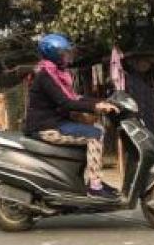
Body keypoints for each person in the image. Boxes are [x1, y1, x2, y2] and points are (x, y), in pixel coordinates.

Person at [25, 34, 119, 199]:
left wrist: (103, 101)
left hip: (55, 122)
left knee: (96, 128)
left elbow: (76, 97)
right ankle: (95, 187)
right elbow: (66, 103)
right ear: (54, 54)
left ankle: (86, 179)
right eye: (64, 53)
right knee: (95, 135)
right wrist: (95, 106)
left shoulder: (56, 74)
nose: (68, 56)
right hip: (46, 127)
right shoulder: (45, 76)